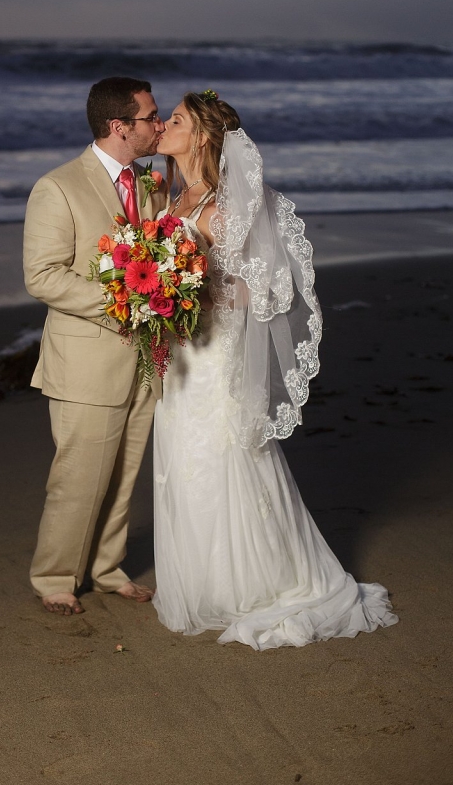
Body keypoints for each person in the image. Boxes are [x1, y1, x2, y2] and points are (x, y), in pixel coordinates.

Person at [152, 91, 398, 650]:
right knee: (181, 456)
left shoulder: (228, 205)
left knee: (221, 452)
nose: (164, 126)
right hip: (179, 353)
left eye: (177, 121)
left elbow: (259, 288)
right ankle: (201, 577)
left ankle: (253, 581)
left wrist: (193, 295)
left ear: (204, 137)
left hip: (213, 353)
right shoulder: (173, 198)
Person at [23, 77, 167, 614]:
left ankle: (107, 567)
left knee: (125, 474)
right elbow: (42, 276)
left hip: (146, 360)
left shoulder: (150, 185)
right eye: (150, 117)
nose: (159, 124)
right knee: (78, 478)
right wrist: (124, 303)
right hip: (86, 359)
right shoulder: (58, 187)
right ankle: (56, 578)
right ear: (118, 126)